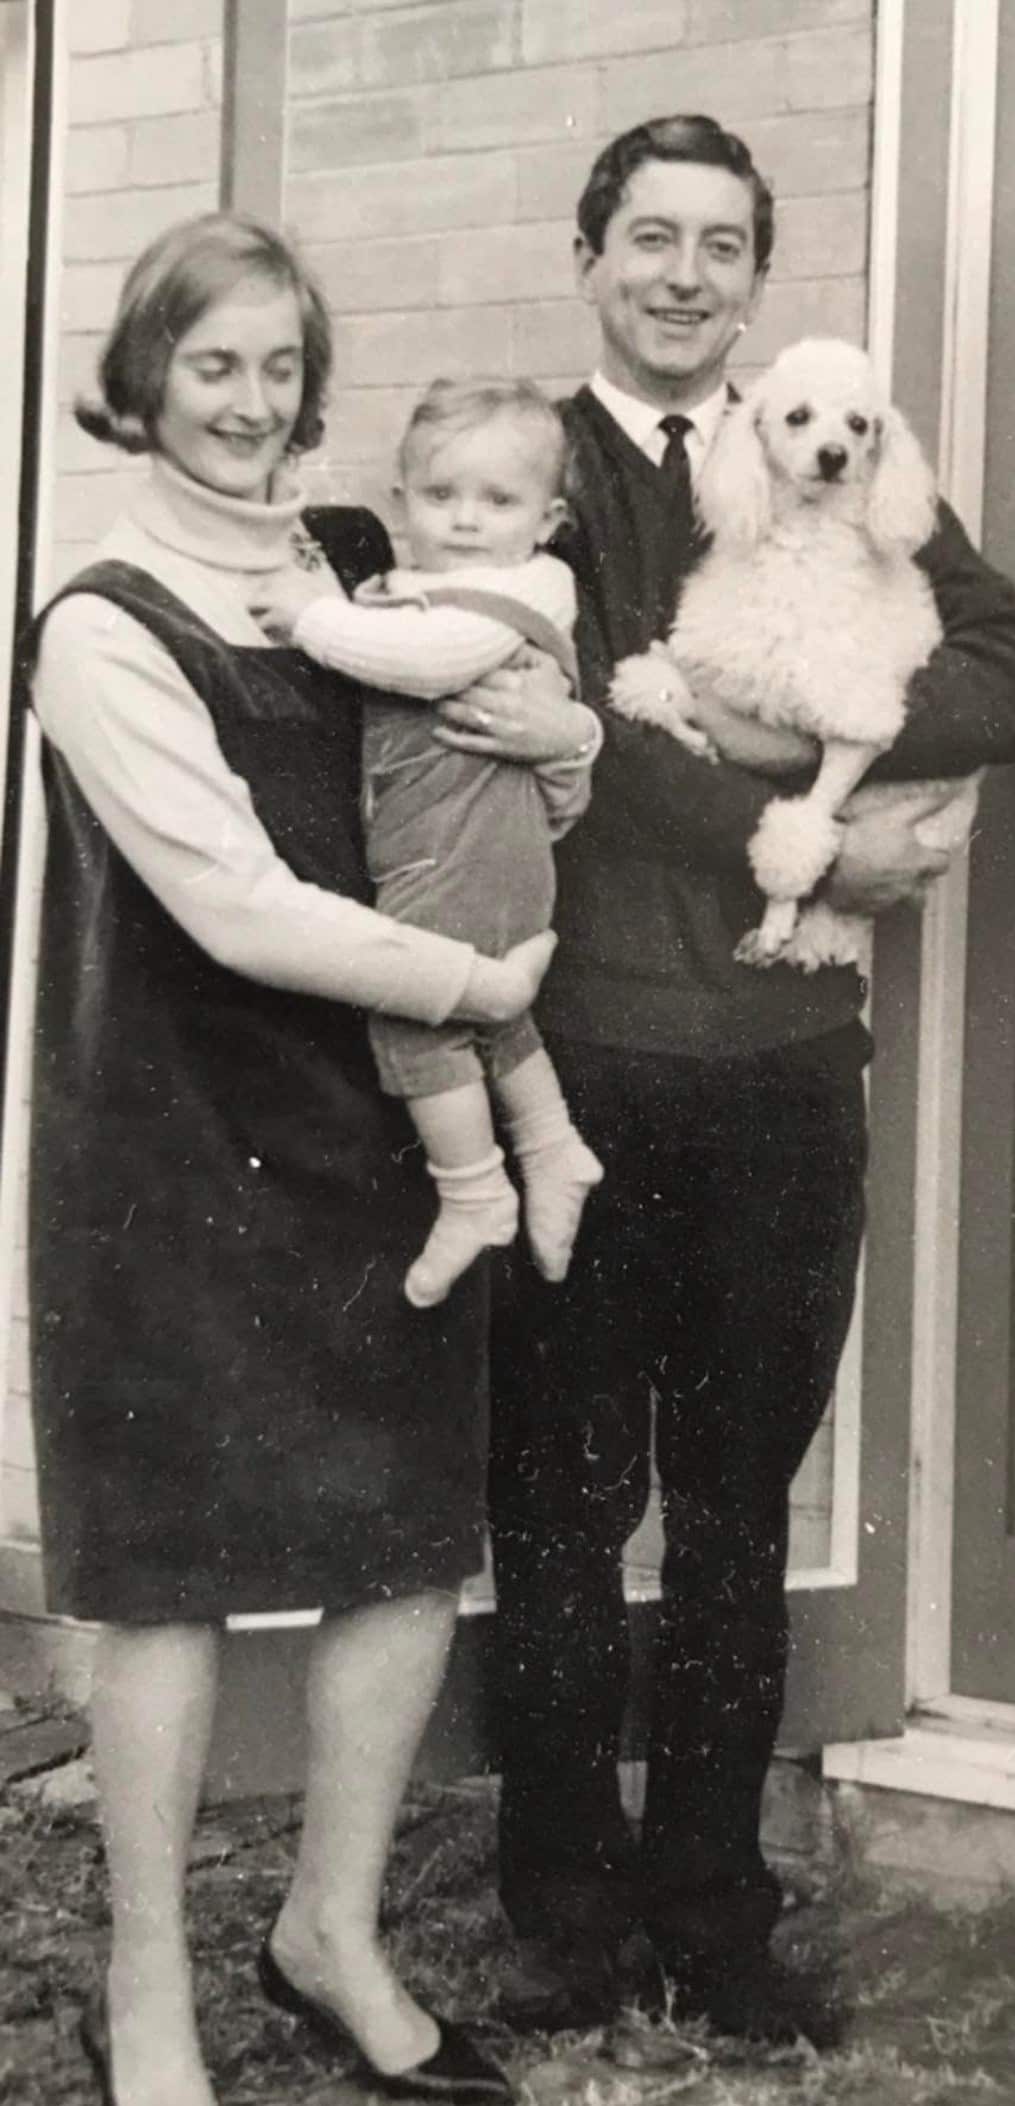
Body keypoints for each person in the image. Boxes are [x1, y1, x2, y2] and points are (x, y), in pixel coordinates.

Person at [440, 114, 1015, 2047]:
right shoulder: (542, 467)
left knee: (739, 1502)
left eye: (722, 247)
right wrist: (815, 836)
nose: (686, 276)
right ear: (593, 254)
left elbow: (1002, 653)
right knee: (561, 1496)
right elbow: (573, 734)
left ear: (757, 280)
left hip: (783, 1068)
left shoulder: (825, 443)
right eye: (651, 239)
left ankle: (712, 1902)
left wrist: (820, 728)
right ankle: (558, 1900)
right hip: (590, 1059)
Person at [27, 212, 595, 2106]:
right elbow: (238, 905)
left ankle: (326, 1933)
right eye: (213, 365)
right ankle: (150, 1989)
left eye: (280, 366)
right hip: (173, 1141)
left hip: (377, 1129)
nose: (253, 406)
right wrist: (485, 977)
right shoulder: (97, 613)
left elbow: (503, 734)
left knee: (403, 1536)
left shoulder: (361, 559)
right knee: (168, 1575)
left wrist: (569, 720)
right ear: (146, 376)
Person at [252, 377, 602, 1312]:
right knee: (489, 1012)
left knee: (415, 1014)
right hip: (445, 839)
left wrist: (314, 620)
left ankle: (474, 1191)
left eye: (499, 501)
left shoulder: (528, 584)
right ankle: (552, 1145)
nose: (467, 521)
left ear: (548, 517)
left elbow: (428, 660)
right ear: (403, 500)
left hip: (467, 841)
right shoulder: (412, 586)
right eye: (442, 496)